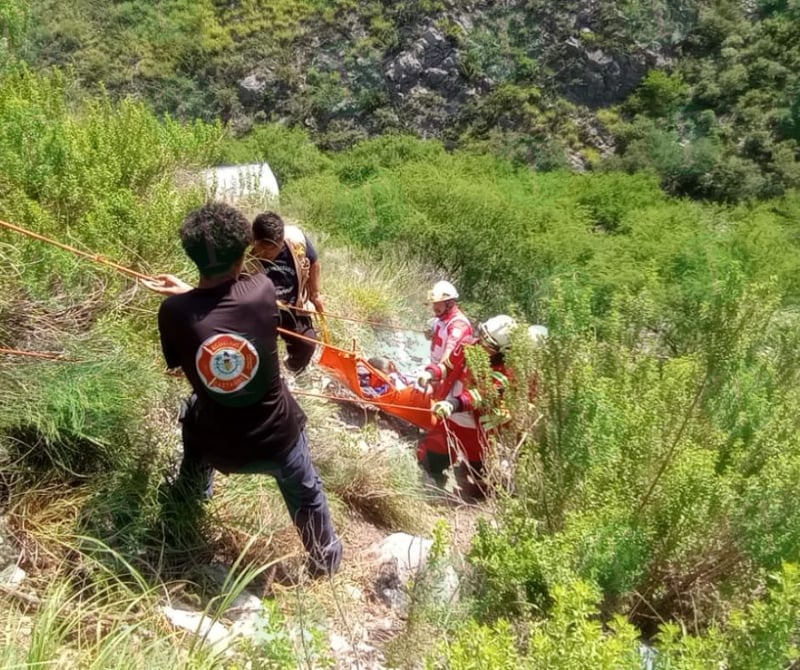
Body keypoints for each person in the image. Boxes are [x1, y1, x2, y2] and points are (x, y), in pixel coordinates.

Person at [144, 202, 342, 577]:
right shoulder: (262, 290)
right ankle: (324, 563)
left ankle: (190, 496)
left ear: (192, 256)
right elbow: (230, 303)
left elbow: (182, 356)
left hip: (220, 445)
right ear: (245, 251)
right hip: (278, 440)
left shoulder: (172, 313)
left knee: (193, 410)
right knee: (308, 493)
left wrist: (184, 294)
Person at [416, 315, 519, 496]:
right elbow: (447, 366)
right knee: (434, 455)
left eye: (490, 344)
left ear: (503, 350)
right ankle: (433, 486)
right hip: (449, 415)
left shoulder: (505, 371)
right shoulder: (467, 345)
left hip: (476, 426)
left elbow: (479, 396)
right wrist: (430, 374)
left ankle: (481, 495)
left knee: (478, 473)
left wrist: (453, 404)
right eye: (483, 336)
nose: (482, 344)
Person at [251, 211, 323, 374]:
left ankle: (292, 368)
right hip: (262, 310)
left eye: (273, 249)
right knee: (257, 351)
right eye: (263, 248)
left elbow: (314, 262)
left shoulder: (296, 241)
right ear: (254, 240)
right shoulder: (245, 252)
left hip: (293, 305)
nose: (267, 254)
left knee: (307, 344)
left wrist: (316, 293)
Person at [417, 280, 473, 390]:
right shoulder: (438, 320)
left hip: (448, 380)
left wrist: (433, 376)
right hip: (432, 369)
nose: (434, 307)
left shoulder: (459, 325)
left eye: (438, 303)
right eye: (434, 303)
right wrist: (429, 335)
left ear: (450, 303)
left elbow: (448, 357)